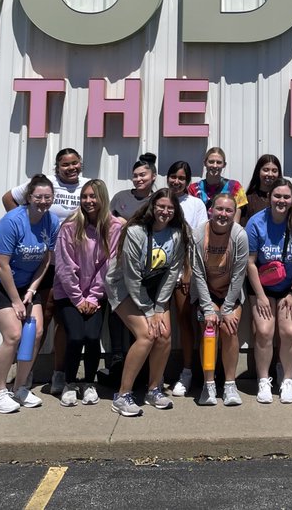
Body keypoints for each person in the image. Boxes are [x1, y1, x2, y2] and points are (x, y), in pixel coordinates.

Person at [0, 148, 85, 396]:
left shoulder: (86, 187)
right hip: (44, 264)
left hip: (73, 266)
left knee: (63, 320)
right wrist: (24, 225)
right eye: (65, 164)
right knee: (39, 319)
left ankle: (59, 374)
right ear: (56, 167)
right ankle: (26, 373)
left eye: (74, 163)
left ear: (81, 164)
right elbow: (8, 197)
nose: (71, 168)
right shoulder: (46, 186)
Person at [104, 188, 190, 416]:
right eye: (161, 206)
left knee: (164, 336)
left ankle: (154, 389)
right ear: (152, 206)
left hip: (153, 288)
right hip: (122, 286)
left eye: (170, 207)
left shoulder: (177, 233)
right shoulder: (135, 232)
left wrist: (160, 306)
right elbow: (131, 275)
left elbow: (173, 272)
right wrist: (148, 311)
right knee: (147, 335)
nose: (165, 211)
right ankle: (123, 395)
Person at [0, 174, 58, 413]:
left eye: (48, 197)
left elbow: (46, 260)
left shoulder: (51, 221)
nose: (43, 201)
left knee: (36, 333)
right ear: (29, 197)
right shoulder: (12, 221)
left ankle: (20, 388)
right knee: (13, 334)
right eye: (38, 197)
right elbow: (1, 264)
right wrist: (15, 301)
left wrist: (32, 289)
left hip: (26, 284)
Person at [244, 179, 292, 404]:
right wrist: (262, 296)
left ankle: (287, 379)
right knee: (264, 332)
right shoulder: (256, 222)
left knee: (290, 332)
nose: (281, 201)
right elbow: (250, 262)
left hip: (291, 286)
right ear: (269, 197)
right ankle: (264, 380)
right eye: (277, 196)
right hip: (262, 285)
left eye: (286, 197)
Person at [53, 179, 122, 407]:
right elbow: (64, 265)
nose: (88, 201)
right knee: (75, 336)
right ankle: (70, 383)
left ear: (102, 198)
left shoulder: (113, 227)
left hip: (96, 295)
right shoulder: (71, 226)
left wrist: (92, 297)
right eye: (85, 196)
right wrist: (77, 298)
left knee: (92, 338)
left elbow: (109, 265)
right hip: (68, 294)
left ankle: (89, 383)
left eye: (93, 196)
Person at [190, 193, 250, 406]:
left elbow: (239, 275)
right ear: (211, 210)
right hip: (206, 291)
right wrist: (208, 308)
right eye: (219, 209)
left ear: (235, 214)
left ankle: (230, 385)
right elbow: (197, 273)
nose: (223, 214)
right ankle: (208, 386)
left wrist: (226, 309)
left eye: (228, 211)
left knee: (229, 329)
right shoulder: (198, 234)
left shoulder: (239, 235)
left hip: (230, 293)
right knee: (209, 329)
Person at [105, 152, 159, 383]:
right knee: (118, 312)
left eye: (143, 175)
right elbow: (106, 225)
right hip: (119, 264)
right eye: (135, 175)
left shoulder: (159, 200)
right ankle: (117, 359)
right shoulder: (120, 198)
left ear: (153, 176)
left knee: (144, 316)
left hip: (150, 268)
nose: (138, 179)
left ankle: (143, 368)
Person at [166, 160, 209, 398]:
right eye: (173, 176)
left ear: (188, 181)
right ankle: (175, 372)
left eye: (182, 178)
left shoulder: (196, 204)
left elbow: (200, 240)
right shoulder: (161, 199)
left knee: (193, 321)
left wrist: (189, 270)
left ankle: (198, 371)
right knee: (174, 323)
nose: (177, 181)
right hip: (163, 271)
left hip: (189, 270)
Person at [189, 147, 248, 221]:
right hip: (202, 231)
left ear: (224, 165)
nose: (214, 165)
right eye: (211, 162)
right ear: (204, 163)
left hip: (227, 231)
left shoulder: (235, 187)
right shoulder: (193, 188)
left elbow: (235, 222)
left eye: (219, 162)